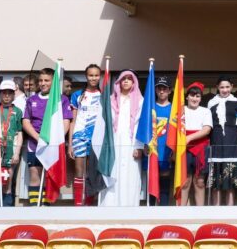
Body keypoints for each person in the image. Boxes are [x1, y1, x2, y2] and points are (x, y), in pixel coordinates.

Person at [21, 68, 72, 206]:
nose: (43, 83)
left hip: (53, 144)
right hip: (35, 143)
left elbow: (66, 122)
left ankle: (46, 207)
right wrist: (38, 138)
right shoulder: (32, 99)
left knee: (50, 176)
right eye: (41, 80)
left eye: (46, 80)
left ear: (53, 82)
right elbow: (26, 122)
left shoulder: (61, 99)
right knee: (34, 174)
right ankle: (34, 207)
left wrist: (56, 138)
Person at [99, 70, 144, 207]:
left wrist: (138, 146)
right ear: (118, 82)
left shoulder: (140, 101)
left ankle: (129, 206)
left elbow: (139, 125)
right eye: (123, 78)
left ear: (134, 82)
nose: (126, 81)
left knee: (130, 174)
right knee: (113, 172)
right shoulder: (110, 100)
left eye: (129, 79)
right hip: (114, 142)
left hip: (131, 143)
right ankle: (110, 206)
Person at [68, 64, 102, 207]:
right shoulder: (77, 95)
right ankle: (77, 205)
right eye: (90, 75)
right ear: (86, 76)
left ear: (100, 77)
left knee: (92, 172)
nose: (93, 78)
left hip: (96, 137)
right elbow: (73, 120)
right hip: (79, 136)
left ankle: (89, 204)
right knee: (79, 171)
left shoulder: (104, 95)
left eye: (96, 75)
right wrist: (70, 143)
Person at [208, 76, 237, 205]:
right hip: (216, 140)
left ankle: (231, 209)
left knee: (231, 178)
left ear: (232, 87)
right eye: (222, 87)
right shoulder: (211, 102)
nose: (225, 90)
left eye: (227, 87)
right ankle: (215, 210)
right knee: (216, 179)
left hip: (232, 140)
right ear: (217, 87)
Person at [179, 82, 212, 206]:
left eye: (198, 96)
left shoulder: (205, 111)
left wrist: (189, 138)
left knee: (200, 182)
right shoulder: (180, 110)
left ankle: (200, 213)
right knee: (185, 181)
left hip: (201, 149)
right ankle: (180, 213)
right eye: (192, 95)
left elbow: (206, 130)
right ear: (187, 97)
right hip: (183, 148)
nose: (195, 98)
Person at [0, 80, 24, 206]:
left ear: (14, 94)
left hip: (10, 149)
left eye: (10, 93)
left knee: (8, 178)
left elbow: (19, 133)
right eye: (4, 93)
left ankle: (7, 204)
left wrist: (17, 153)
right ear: (0, 94)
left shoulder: (18, 111)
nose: (6, 96)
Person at [152, 77, 174, 205]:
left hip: (167, 151)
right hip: (152, 151)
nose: (161, 91)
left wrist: (174, 150)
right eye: (159, 88)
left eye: (164, 88)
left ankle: (163, 211)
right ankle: (150, 212)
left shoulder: (174, 108)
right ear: (155, 90)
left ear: (169, 91)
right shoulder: (150, 107)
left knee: (165, 183)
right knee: (152, 183)